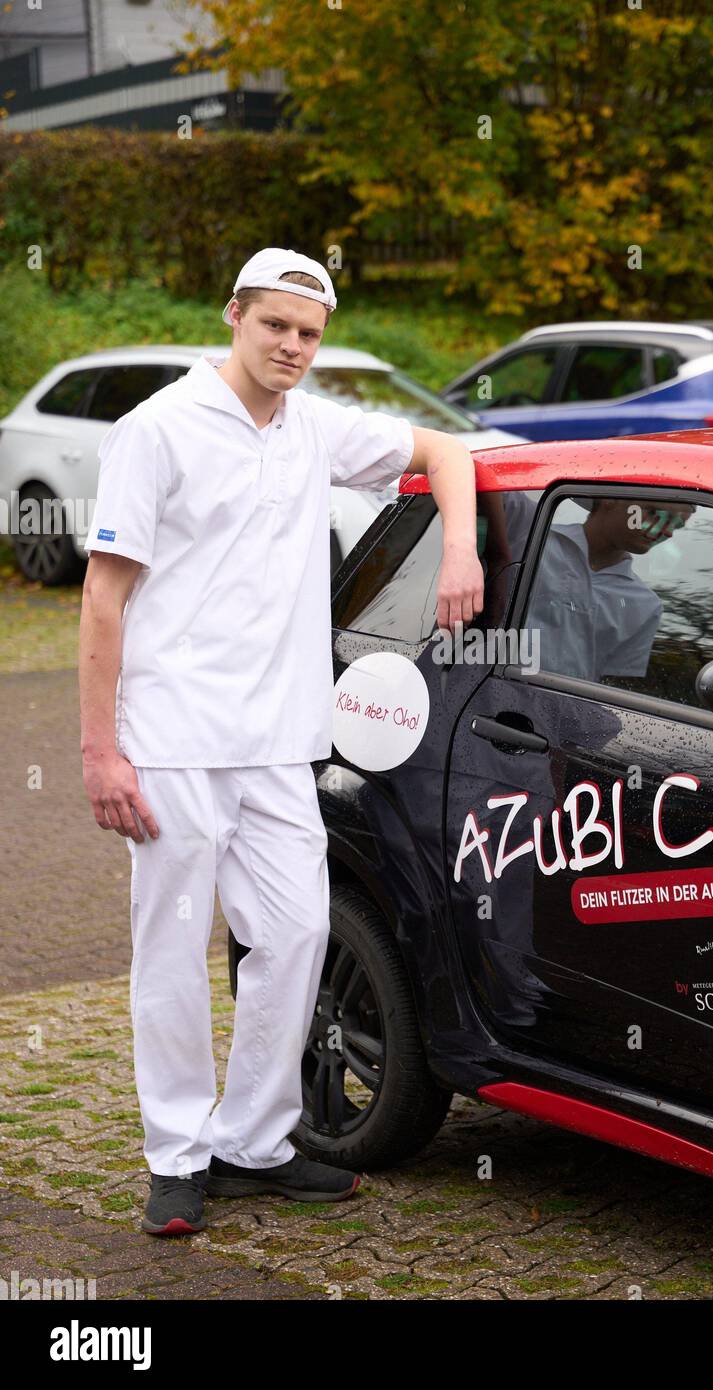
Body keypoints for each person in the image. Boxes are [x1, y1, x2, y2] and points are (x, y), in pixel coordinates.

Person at [78, 247, 483, 1237]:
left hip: (278, 742)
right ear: (234, 317)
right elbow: (103, 596)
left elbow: (448, 453)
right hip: (170, 739)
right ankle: (177, 1158)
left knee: (297, 935)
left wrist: (461, 548)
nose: (293, 347)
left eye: (309, 333)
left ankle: (254, 1142)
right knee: (170, 952)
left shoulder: (316, 429)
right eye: (276, 326)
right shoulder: (158, 431)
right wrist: (99, 751)